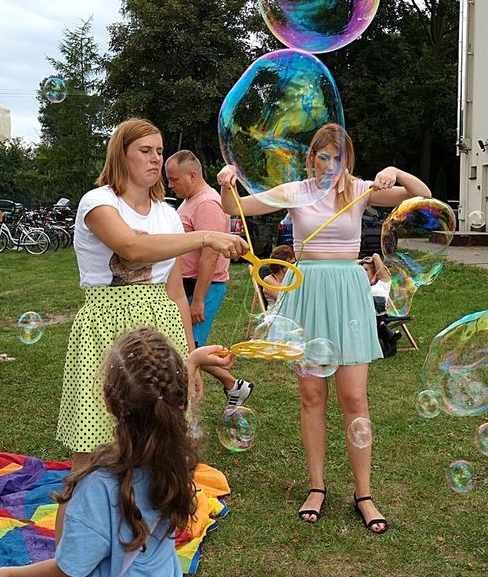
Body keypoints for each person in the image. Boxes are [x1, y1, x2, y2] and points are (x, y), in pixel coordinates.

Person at [0, 329, 230, 577]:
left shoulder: (99, 486)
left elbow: (70, 569)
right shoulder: (179, 458)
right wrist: (192, 361)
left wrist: (14, 576)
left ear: (108, 402)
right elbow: (177, 407)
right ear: (178, 401)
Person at [219, 123, 430, 533]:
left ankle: (363, 493)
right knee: (312, 396)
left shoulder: (359, 189)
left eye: (339, 157)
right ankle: (317, 486)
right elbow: (235, 208)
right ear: (311, 157)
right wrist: (227, 183)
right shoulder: (296, 191)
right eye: (324, 156)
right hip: (309, 293)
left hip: (348, 293)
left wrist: (396, 172)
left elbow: (420, 196)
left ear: (347, 159)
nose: (331, 164)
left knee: (355, 398)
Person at [57, 118, 246, 535]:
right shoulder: (98, 202)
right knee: (91, 452)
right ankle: (69, 566)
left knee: (159, 446)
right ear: (121, 154)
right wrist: (206, 238)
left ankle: (137, 547)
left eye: (160, 151)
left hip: (160, 329)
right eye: (145, 150)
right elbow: (131, 247)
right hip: (105, 331)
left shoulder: (167, 215)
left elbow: (176, 292)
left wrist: (188, 358)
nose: (156, 158)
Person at [164, 150, 253, 410]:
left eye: (174, 179)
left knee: (189, 350)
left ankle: (193, 410)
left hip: (203, 287)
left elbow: (210, 254)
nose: (170, 185)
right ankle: (234, 386)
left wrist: (198, 300)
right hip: (187, 286)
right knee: (188, 347)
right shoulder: (191, 200)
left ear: (192, 175)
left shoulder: (206, 203)